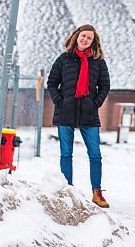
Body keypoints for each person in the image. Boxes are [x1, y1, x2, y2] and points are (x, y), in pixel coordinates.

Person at [47, 24, 110, 208]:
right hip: (66, 111)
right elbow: (52, 82)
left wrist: (95, 103)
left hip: (88, 113)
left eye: (89, 38)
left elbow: (105, 86)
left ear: (93, 41)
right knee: (66, 154)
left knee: (95, 155)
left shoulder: (98, 62)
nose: (85, 40)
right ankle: (68, 190)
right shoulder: (64, 59)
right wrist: (60, 100)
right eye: (83, 36)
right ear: (76, 36)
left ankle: (97, 193)